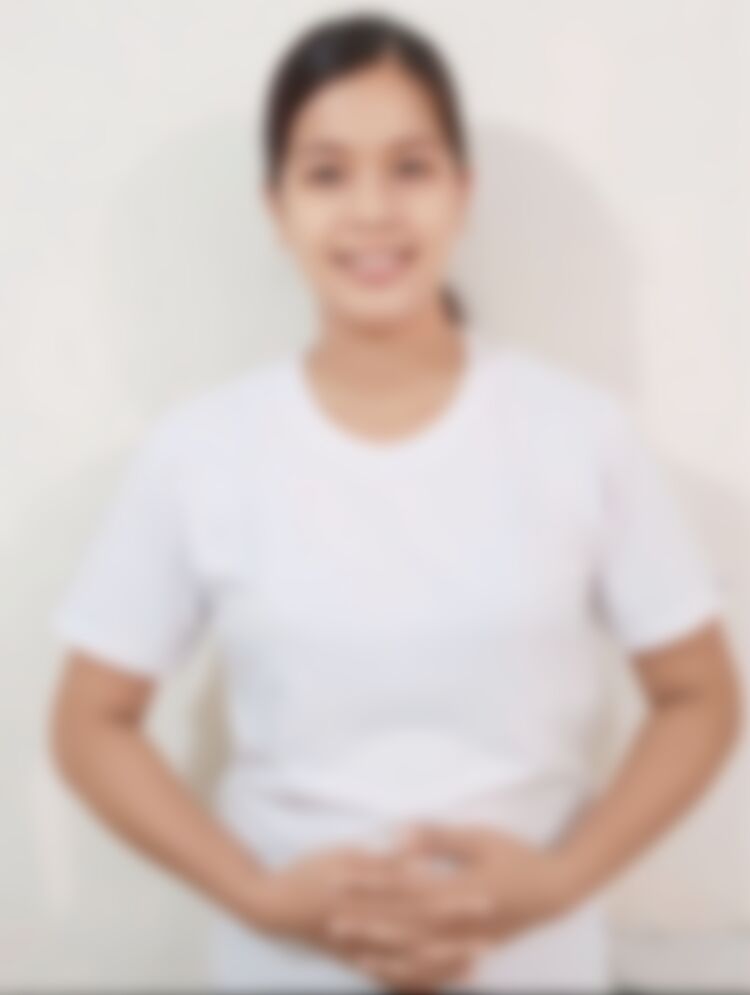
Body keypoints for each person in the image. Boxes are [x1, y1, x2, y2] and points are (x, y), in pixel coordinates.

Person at [48, 11, 743, 994]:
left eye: (410, 167)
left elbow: (701, 693)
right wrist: (257, 895)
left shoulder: (581, 435)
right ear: (277, 206)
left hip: (535, 968)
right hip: (286, 970)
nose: (372, 209)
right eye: (327, 173)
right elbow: (90, 720)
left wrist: (559, 882)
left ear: (463, 191)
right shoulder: (199, 452)